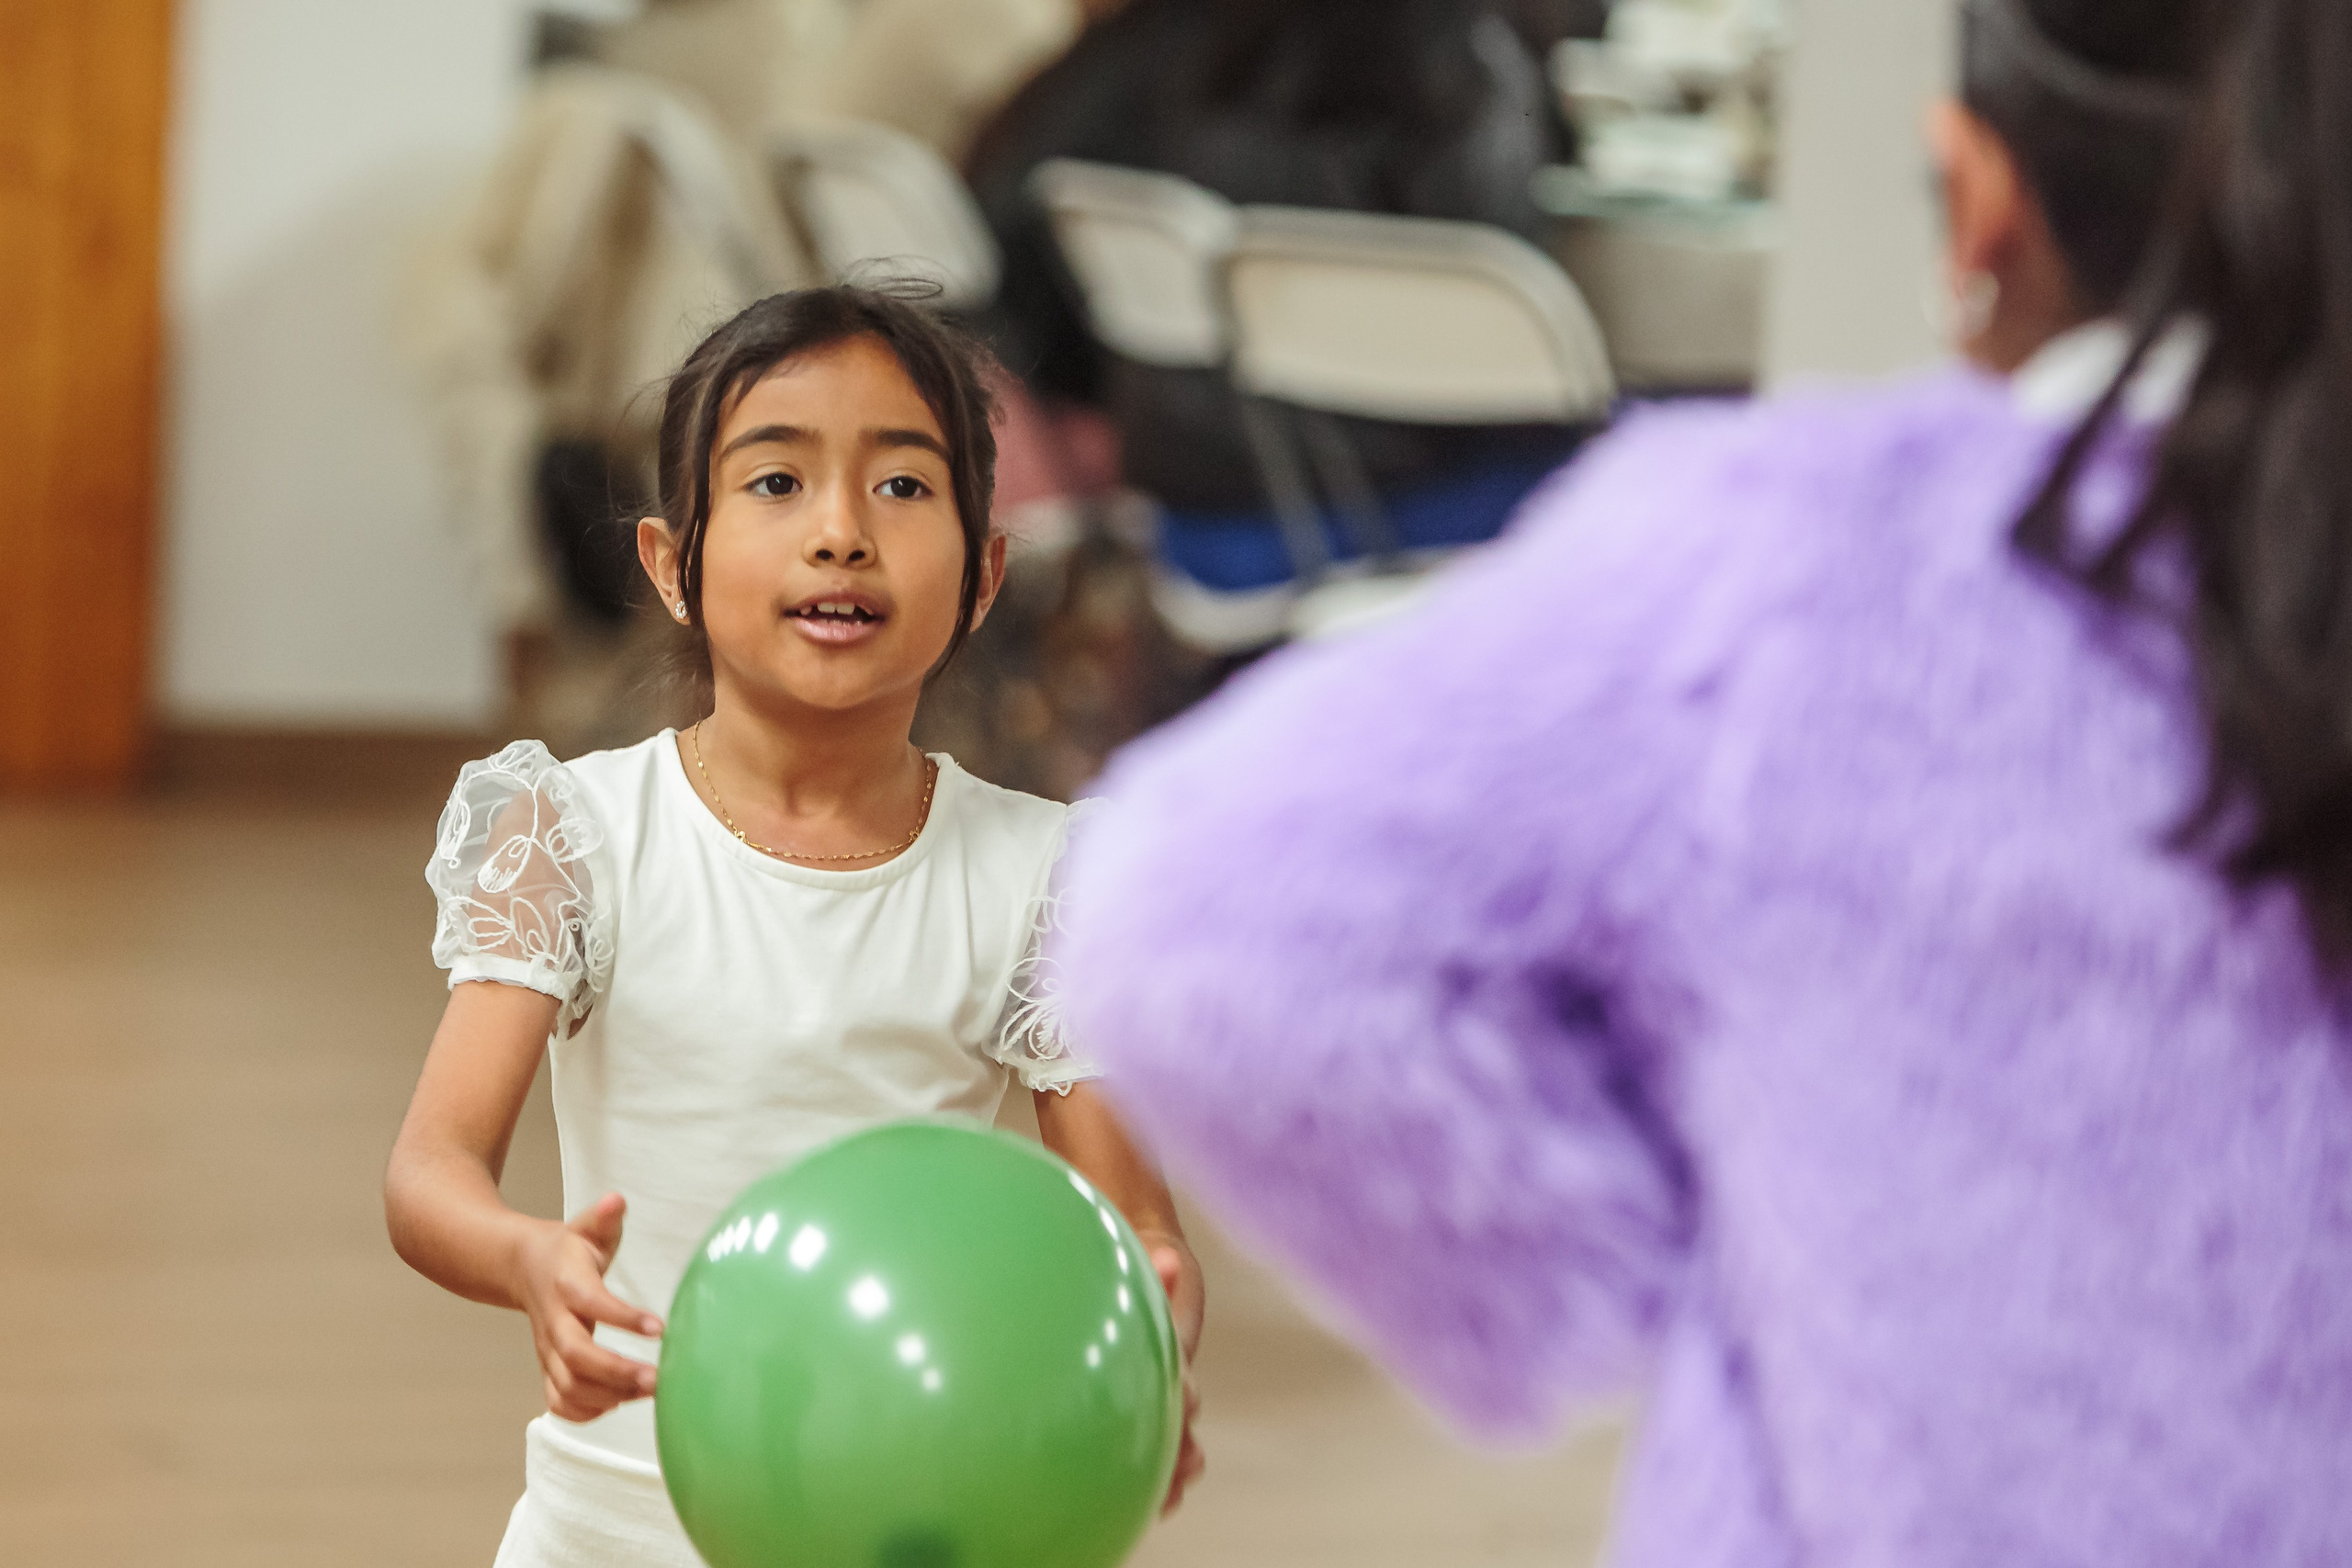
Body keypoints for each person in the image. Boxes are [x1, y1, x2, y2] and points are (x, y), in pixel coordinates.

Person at [1055, 0, 2352, 1562]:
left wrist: (1653, 1250)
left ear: (1975, 202)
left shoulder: (1785, 578)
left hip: (1248, 500)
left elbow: (1199, 921)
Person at [384, 286, 1204, 1566]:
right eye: (776, 481)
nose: (840, 534)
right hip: (607, 1532)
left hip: (903, 1525)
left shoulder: (1037, 873)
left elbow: (1139, 1235)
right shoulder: (579, 832)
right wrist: (527, 1259)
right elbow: (430, 1170)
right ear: (672, 564)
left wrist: (1152, 1344)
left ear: (984, 573)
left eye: (903, 486)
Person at [966, 0, 1566, 509]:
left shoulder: (1184, 54)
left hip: (1183, 480)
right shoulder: (1456, 58)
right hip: (1374, 489)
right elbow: (1508, 255)